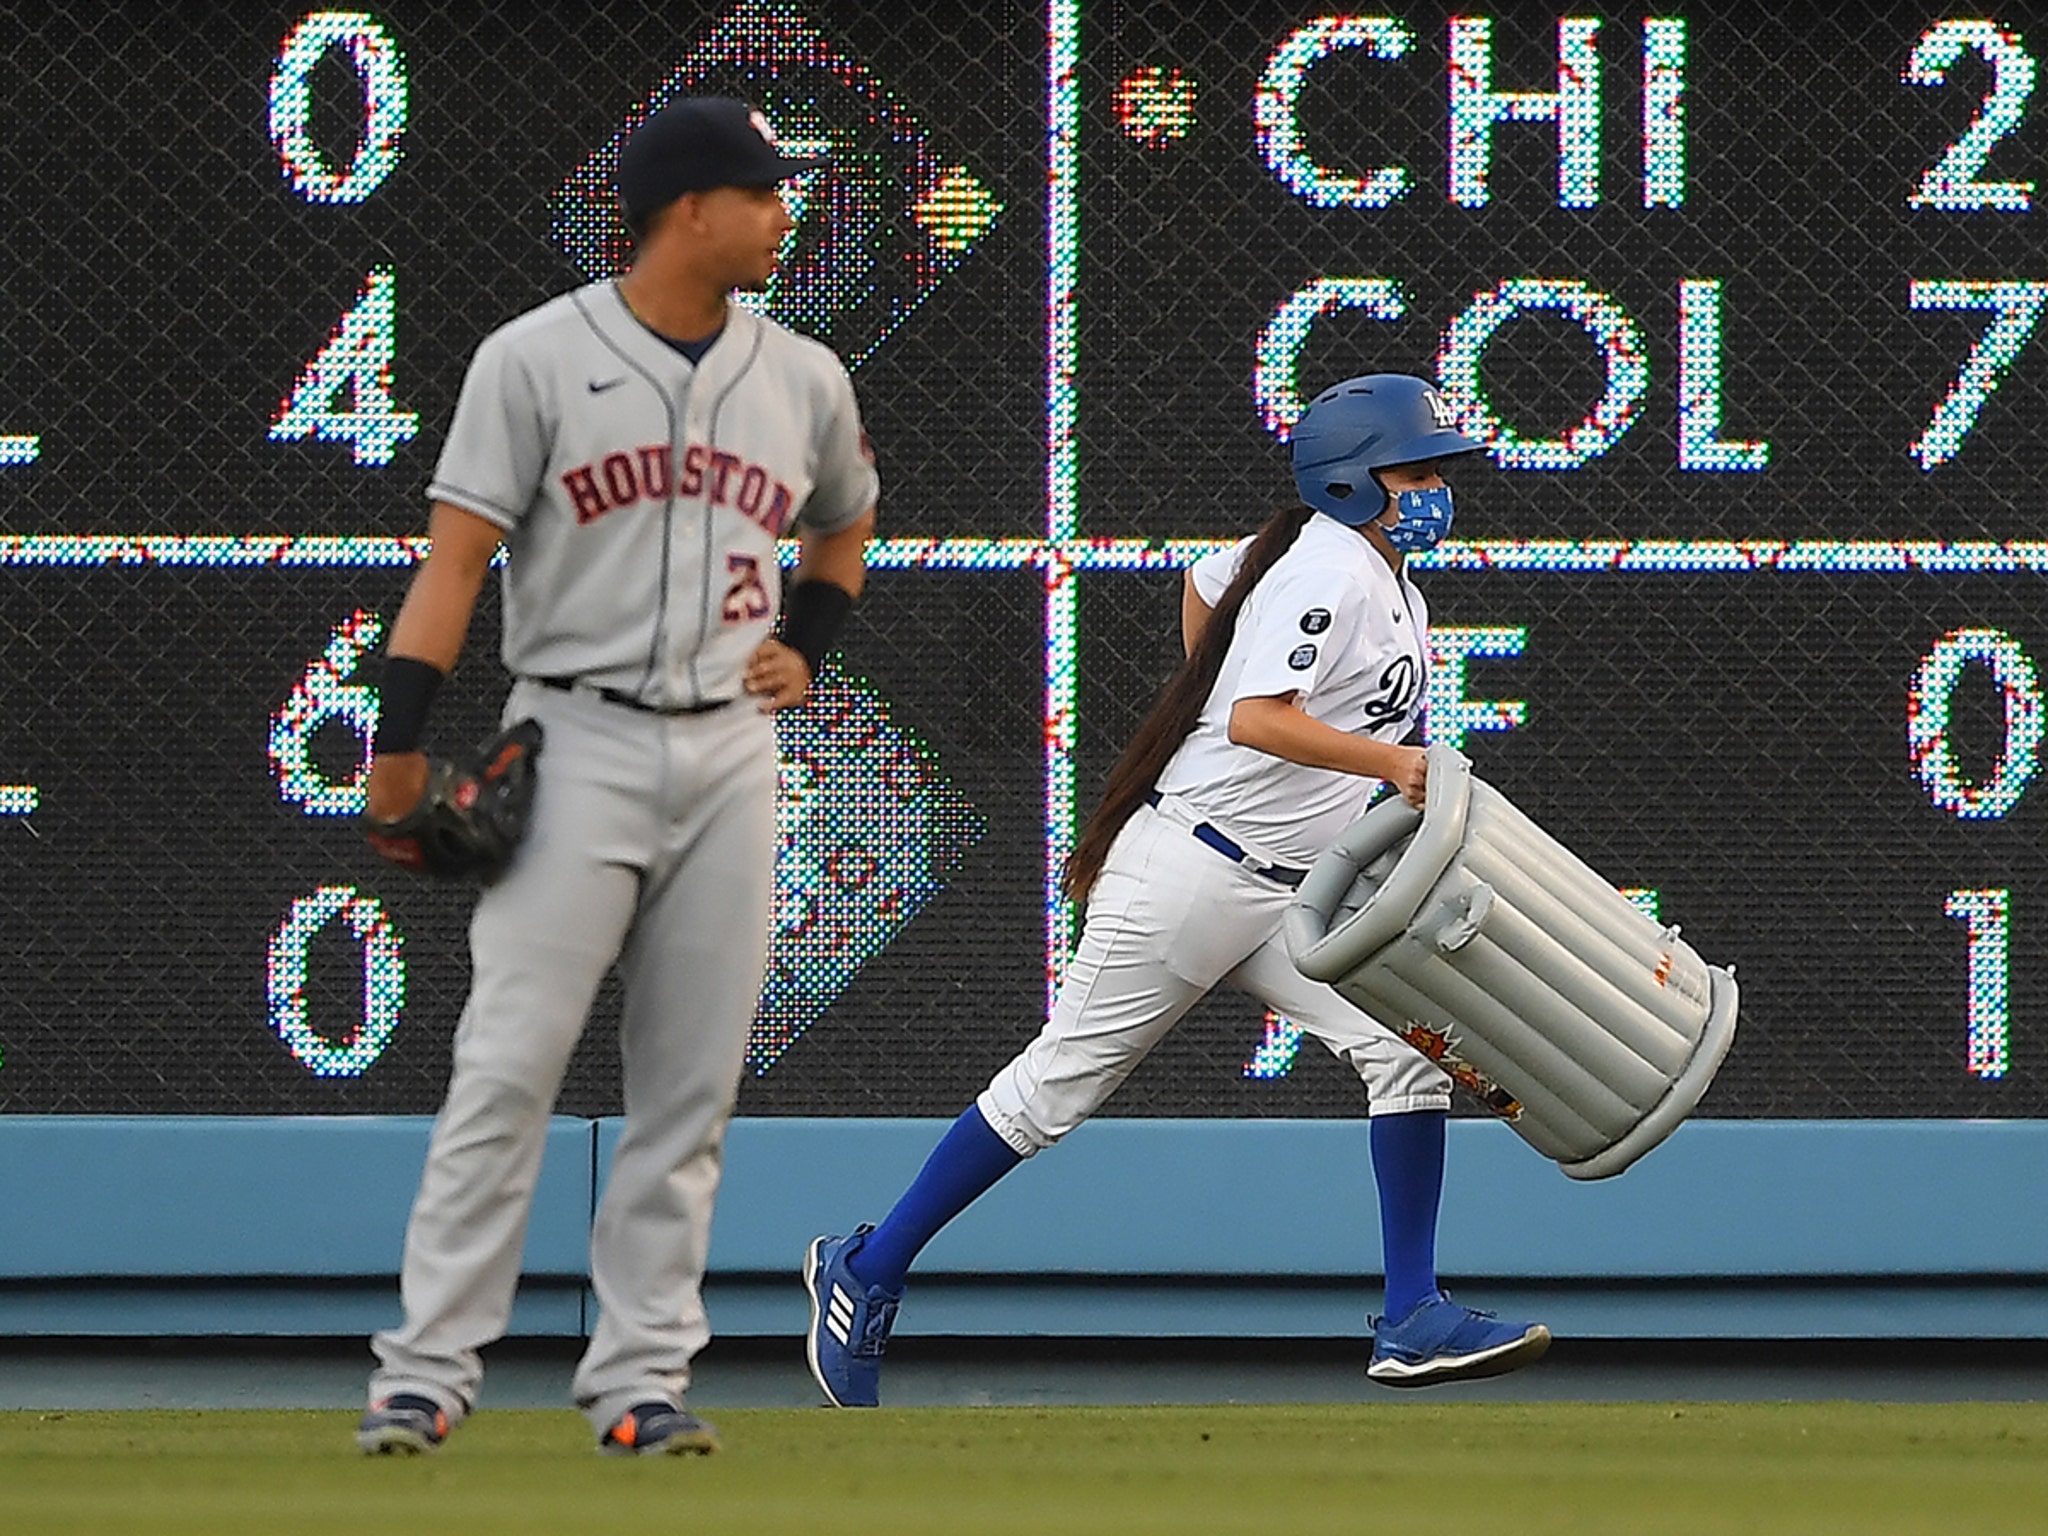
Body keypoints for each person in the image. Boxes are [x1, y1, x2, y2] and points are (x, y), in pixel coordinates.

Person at [802, 374, 1547, 1408]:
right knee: (1053, 1090)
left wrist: (1228, 683)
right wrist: (1379, 763)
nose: (1434, 488)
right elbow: (1251, 718)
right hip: (1191, 873)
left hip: (1285, 894)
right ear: (1349, 482)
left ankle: (1411, 1314)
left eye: (1433, 471)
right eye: (1414, 470)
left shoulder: (1350, 568)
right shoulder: (1329, 569)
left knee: (1397, 1047)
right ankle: (869, 1265)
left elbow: (1205, 584)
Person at [355, 96, 878, 1455]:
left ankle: (641, 1381)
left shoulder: (805, 374)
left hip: (729, 750)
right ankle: (425, 1373)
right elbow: (454, 563)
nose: (785, 214)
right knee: (507, 1065)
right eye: (765, 194)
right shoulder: (531, 360)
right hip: (574, 734)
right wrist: (397, 745)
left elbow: (846, 523)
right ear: (688, 209)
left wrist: (807, 649)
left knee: (689, 1088)